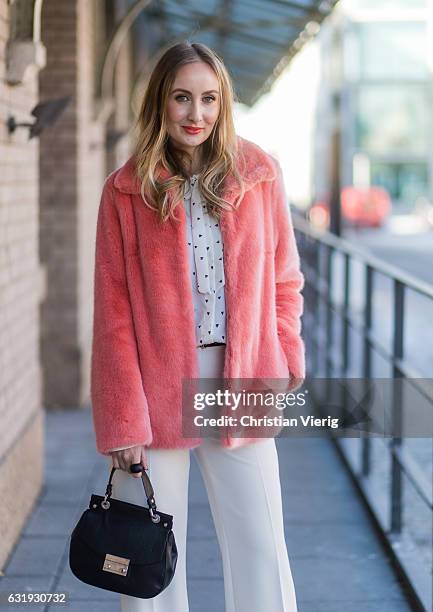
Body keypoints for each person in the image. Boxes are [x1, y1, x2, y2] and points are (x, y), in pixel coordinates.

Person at [90, 40, 305, 612]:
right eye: (182, 98)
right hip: (153, 390)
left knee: (261, 546)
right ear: (160, 102)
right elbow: (112, 315)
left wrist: (283, 363)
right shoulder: (125, 190)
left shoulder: (258, 174)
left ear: (224, 102)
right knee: (150, 563)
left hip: (243, 382)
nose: (196, 114)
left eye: (209, 99)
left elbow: (285, 282)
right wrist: (121, 419)